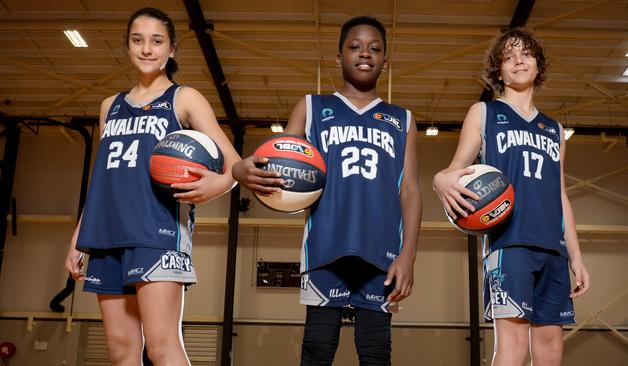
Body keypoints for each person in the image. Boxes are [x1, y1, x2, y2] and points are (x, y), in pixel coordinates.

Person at [233, 16, 422, 366]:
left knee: (376, 351)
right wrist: (244, 169)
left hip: (383, 252)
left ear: (385, 60)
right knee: (317, 350)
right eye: (354, 46)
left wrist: (408, 254)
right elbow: (280, 159)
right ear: (338, 57)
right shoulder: (312, 107)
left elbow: (410, 190)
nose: (364, 53)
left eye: (375, 48)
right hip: (325, 246)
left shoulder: (402, 119)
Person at [64, 7, 240, 366]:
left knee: (162, 347)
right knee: (121, 352)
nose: (147, 49)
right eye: (137, 40)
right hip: (106, 236)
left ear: (171, 49)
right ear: (128, 46)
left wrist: (217, 185)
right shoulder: (109, 106)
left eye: (156, 41)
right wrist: (77, 238)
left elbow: (234, 164)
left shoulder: (184, 98)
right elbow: (104, 177)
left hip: (156, 233)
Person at [433, 27, 590, 366]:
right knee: (513, 347)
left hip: (553, 248)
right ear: (498, 70)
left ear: (539, 64)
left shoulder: (554, 129)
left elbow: (560, 194)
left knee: (550, 348)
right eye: (509, 56)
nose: (519, 60)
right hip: (509, 244)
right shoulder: (485, 113)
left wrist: (575, 256)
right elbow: (453, 171)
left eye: (526, 54)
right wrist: (439, 180)